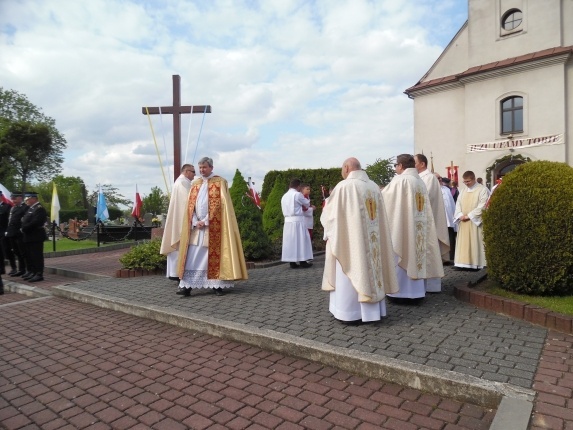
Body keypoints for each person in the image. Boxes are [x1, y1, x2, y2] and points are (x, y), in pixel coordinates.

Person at [321, 157, 399, 323]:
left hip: (350, 242)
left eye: (342, 168)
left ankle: (350, 313)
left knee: (351, 270)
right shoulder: (373, 186)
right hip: (373, 241)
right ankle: (372, 313)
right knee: (372, 269)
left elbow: (331, 217)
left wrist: (328, 228)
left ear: (347, 168)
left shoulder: (344, 187)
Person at [176, 157, 248, 297]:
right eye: (200, 168)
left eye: (205, 167)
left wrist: (206, 220)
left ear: (211, 168)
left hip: (214, 226)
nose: (202, 170)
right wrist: (196, 220)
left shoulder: (220, 182)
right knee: (192, 255)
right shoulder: (195, 184)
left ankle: (217, 285)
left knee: (213, 256)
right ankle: (187, 285)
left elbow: (221, 206)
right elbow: (190, 206)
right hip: (197, 227)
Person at [381, 154, 444, 299]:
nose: (396, 168)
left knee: (402, 252)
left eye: (396, 165)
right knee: (417, 256)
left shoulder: (400, 180)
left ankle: (401, 293)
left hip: (402, 228)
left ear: (401, 166)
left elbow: (384, 200)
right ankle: (417, 292)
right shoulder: (419, 181)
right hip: (418, 228)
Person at [414, 154, 450, 292]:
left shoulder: (429, 178)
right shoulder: (419, 178)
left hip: (428, 224)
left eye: (415, 163)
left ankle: (431, 286)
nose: (413, 165)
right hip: (421, 223)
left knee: (430, 253)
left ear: (422, 164)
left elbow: (424, 198)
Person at [160, 163, 195, 290]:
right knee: (179, 248)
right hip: (181, 221)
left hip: (178, 220)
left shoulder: (180, 182)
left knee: (178, 249)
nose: (194, 174)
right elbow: (189, 202)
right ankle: (177, 274)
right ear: (186, 171)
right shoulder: (183, 183)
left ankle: (176, 274)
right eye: (193, 172)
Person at [454, 171, 489, 270]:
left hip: (474, 222)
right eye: (464, 182)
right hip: (463, 221)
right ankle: (462, 264)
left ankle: (475, 264)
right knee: (463, 244)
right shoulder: (463, 190)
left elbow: (483, 205)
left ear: (473, 179)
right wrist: (460, 215)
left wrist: (469, 216)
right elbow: (458, 204)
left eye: (468, 181)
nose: (466, 183)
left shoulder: (482, 190)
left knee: (475, 242)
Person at [281, 178, 313, 268]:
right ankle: (303, 261)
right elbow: (306, 203)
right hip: (298, 220)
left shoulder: (284, 196)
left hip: (287, 222)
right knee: (301, 241)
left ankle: (292, 262)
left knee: (291, 242)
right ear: (298, 186)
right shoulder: (297, 194)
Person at [21, 192, 47, 282]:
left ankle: (39, 273)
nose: (26, 201)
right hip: (29, 235)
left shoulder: (39, 209)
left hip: (36, 235)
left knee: (36, 255)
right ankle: (33, 271)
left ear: (34, 198)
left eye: (28, 199)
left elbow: (36, 222)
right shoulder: (30, 208)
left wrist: (24, 228)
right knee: (30, 255)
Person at [5, 193, 27, 277]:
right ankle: (21, 269)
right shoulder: (14, 208)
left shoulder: (24, 207)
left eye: (15, 198)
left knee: (23, 252)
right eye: (12, 199)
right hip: (12, 233)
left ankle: (25, 269)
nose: (13, 200)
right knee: (17, 252)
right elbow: (10, 221)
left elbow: (24, 220)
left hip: (19, 233)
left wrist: (20, 230)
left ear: (20, 198)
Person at [438, 176, 457, 262]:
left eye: (440, 178)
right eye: (437, 178)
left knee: (450, 239)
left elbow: (452, 204)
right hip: (439, 221)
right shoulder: (432, 189)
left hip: (449, 220)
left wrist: (454, 217)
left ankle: (449, 258)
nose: (440, 180)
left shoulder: (446, 189)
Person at [0, 191, 13, 275]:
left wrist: (7, 231)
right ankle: (1, 268)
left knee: (6, 251)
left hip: (3, 233)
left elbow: (9, 220)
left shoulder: (6, 206)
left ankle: (13, 268)